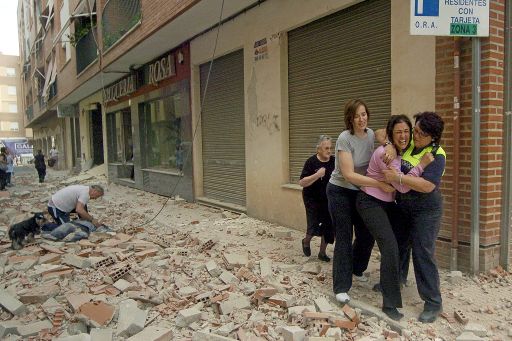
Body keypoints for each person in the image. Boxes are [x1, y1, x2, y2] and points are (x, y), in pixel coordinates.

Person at [355, 115, 433, 320]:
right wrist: (422, 165)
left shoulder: (401, 149)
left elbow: (382, 133)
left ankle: (388, 278)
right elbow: (402, 185)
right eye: (398, 132)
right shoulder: (385, 154)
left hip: (389, 203)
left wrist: (391, 143)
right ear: (391, 134)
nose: (404, 135)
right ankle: (390, 304)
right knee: (389, 246)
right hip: (370, 201)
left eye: (407, 131)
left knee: (401, 238)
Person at [326, 99, 395, 304]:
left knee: (366, 234)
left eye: (364, 114)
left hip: (361, 191)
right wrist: (379, 184)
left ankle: (357, 269)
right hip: (340, 191)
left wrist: (389, 144)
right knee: (345, 237)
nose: (361, 119)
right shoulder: (344, 138)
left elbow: (385, 132)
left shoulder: (371, 134)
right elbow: (348, 174)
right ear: (350, 118)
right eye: (356, 115)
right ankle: (341, 286)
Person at [382, 111, 446, 323]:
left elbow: (427, 186)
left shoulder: (436, 154)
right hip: (404, 206)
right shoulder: (410, 145)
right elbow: (382, 133)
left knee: (422, 252)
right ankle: (398, 279)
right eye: (414, 130)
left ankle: (433, 302)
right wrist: (390, 145)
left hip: (426, 210)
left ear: (432, 136)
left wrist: (398, 177)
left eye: (419, 133)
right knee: (399, 245)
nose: (413, 135)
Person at [299, 135, 335, 262]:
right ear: (318, 149)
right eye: (326, 148)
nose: (329, 151)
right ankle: (306, 241)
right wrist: (317, 174)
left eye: (330, 148)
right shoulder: (311, 162)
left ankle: (322, 253)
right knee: (313, 224)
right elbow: (302, 183)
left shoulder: (334, 161)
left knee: (328, 225)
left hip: (328, 199)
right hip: (312, 198)